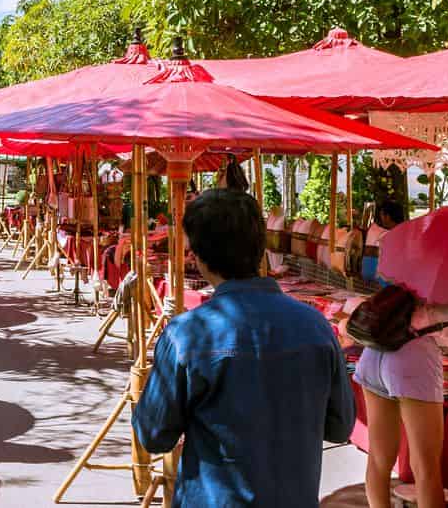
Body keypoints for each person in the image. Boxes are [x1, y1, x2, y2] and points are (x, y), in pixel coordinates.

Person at [133, 188, 355, 507]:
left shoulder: (187, 335)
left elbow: (153, 435)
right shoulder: (316, 327)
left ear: (196, 255)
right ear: (261, 248)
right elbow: (340, 426)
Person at [355, 292, 448, 507]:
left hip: (376, 349)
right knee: (426, 469)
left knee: (379, 458)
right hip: (413, 357)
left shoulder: (423, 272)